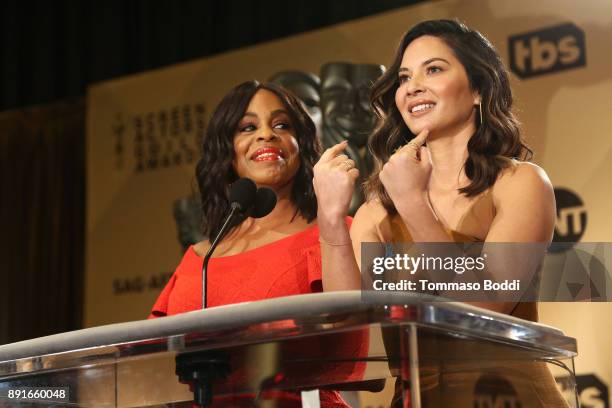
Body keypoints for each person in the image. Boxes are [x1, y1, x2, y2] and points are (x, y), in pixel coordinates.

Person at [314, 19, 566, 406]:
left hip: (507, 395)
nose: (412, 86)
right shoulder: (377, 210)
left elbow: (482, 309)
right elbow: (349, 329)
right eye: (403, 77)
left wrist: (414, 204)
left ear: (479, 89)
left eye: (433, 69)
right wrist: (331, 218)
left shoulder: (520, 183)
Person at [150, 80, 364, 407]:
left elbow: (351, 347)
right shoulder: (198, 257)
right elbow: (149, 361)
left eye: (282, 124)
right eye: (247, 127)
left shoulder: (337, 233)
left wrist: (331, 219)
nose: (266, 134)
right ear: (227, 151)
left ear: (302, 144)